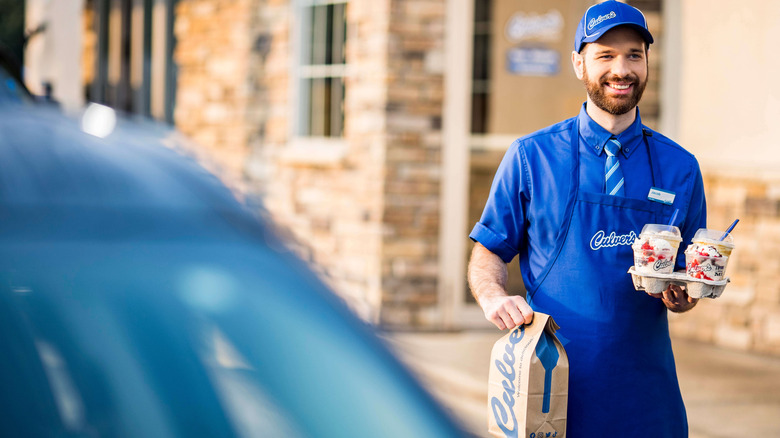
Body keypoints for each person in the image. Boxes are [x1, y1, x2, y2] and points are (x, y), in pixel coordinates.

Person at [468, 1, 706, 436]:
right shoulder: (530, 157)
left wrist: (684, 296)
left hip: (647, 401)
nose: (622, 69)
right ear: (579, 64)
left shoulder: (681, 168)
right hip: (549, 393)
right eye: (605, 55)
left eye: (634, 54)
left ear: (647, 62)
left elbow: (688, 276)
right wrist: (492, 298)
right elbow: (488, 254)